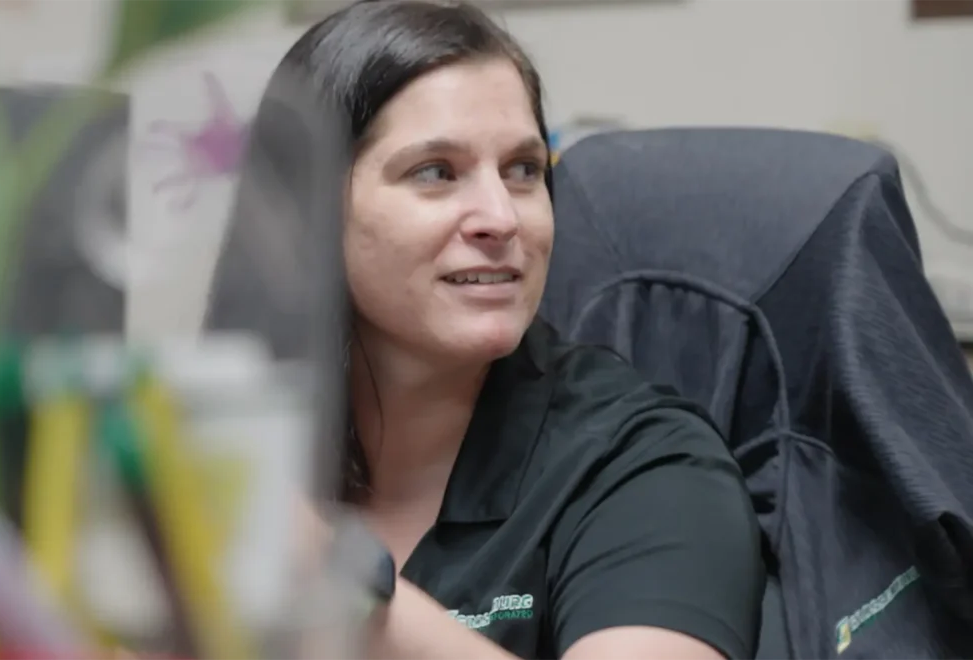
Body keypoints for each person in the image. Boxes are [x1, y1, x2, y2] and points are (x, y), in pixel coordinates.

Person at [205, 1, 766, 659]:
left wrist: (330, 576)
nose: (501, 218)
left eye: (523, 170)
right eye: (436, 172)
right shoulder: (218, 431)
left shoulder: (647, 463)